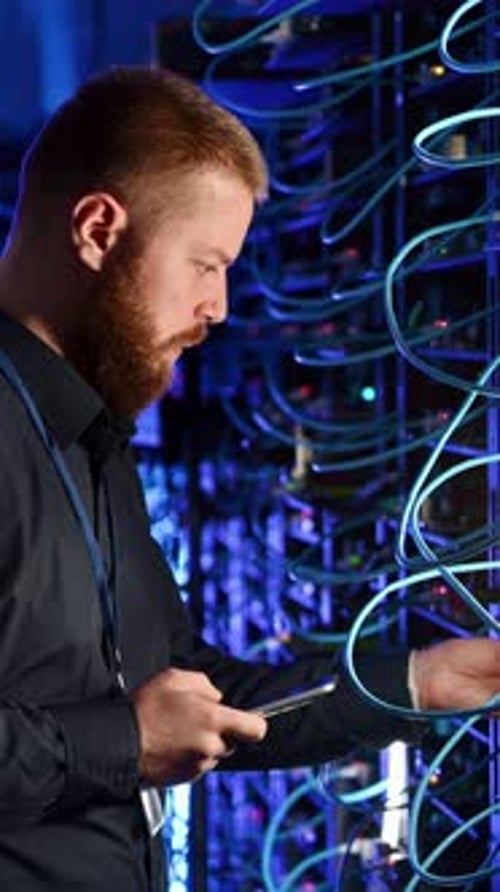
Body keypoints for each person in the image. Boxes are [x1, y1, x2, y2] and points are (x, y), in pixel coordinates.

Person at [0, 65, 497, 892]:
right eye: (205, 264)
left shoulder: (92, 439)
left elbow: (196, 693)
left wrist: (417, 683)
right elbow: (143, 728)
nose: (220, 306)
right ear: (97, 229)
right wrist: (125, 742)